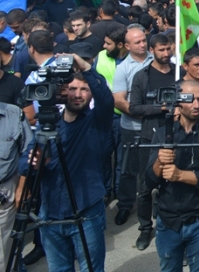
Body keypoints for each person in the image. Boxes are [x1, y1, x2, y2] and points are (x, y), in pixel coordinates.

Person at [20, 59, 114, 272]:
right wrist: (35, 165)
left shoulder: (96, 122)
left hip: (86, 211)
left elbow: (106, 100)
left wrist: (86, 69)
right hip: (50, 213)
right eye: (73, 89)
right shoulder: (48, 125)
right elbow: (25, 165)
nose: (78, 94)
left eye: (84, 89)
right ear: (63, 92)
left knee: (91, 268)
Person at [145, 80, 199, 272]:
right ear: (178, 100)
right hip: (169, 220)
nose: (196, 105)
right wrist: (159, 163)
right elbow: (148, 181)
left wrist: (180, 175)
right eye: (190, 99)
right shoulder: (163, 133)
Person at [127, 32, 177, 250]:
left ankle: (174, 227)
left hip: (177, 135)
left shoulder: (179, 73)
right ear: (152, 50)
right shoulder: (142, 76)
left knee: (175, 183)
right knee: (146, 186)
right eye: (161, 50)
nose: (165, 53)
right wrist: (162, 108)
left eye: (168, 49)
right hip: (150, 136)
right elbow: (134, 107)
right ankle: (145, 228)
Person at [111, 25, 153, 227]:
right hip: (133, 127)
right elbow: (119, 100)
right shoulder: (123, 68)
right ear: (127, 46)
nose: (143, 44)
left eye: (144, 40)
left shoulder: (158, 62)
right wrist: (143, 113)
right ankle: (126, 204)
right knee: (128, 169)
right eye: (137, 42)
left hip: (156, 127)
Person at [0, 101, 33, 266]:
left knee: (4, 257)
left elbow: (28, 153)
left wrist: (22, 186)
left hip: (5, 192)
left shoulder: (13, 114)